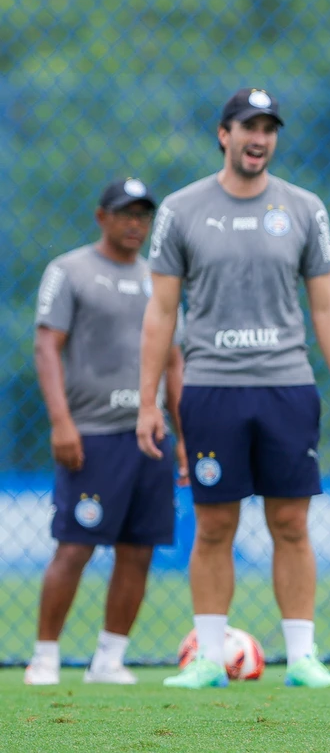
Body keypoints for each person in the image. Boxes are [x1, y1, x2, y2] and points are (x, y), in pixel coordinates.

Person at [137, 87, 330, 689]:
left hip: (286, 387)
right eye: (248, 127)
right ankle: (209, 657)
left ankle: (304, 658)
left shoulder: (304, 208)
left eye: (269, 128)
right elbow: (160, 314)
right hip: (211, 388)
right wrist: (148, 401)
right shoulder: (181, 210)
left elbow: (326, 304)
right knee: (214, 527)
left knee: (292, 524)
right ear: (223, 134)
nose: (259, 138)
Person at [26, 177, 187, 686]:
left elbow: (174, 362)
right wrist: (61, 424)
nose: (135, 223)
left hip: (150, 436)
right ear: (102, 217)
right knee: (74, 546)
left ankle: (109, 659)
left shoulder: (159, 280)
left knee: (139, 549)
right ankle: (45, 655)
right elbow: (46, 346)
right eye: (125, 213)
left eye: (143, 215)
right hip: (90, 434)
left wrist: (184, 439)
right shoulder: (69, 271)